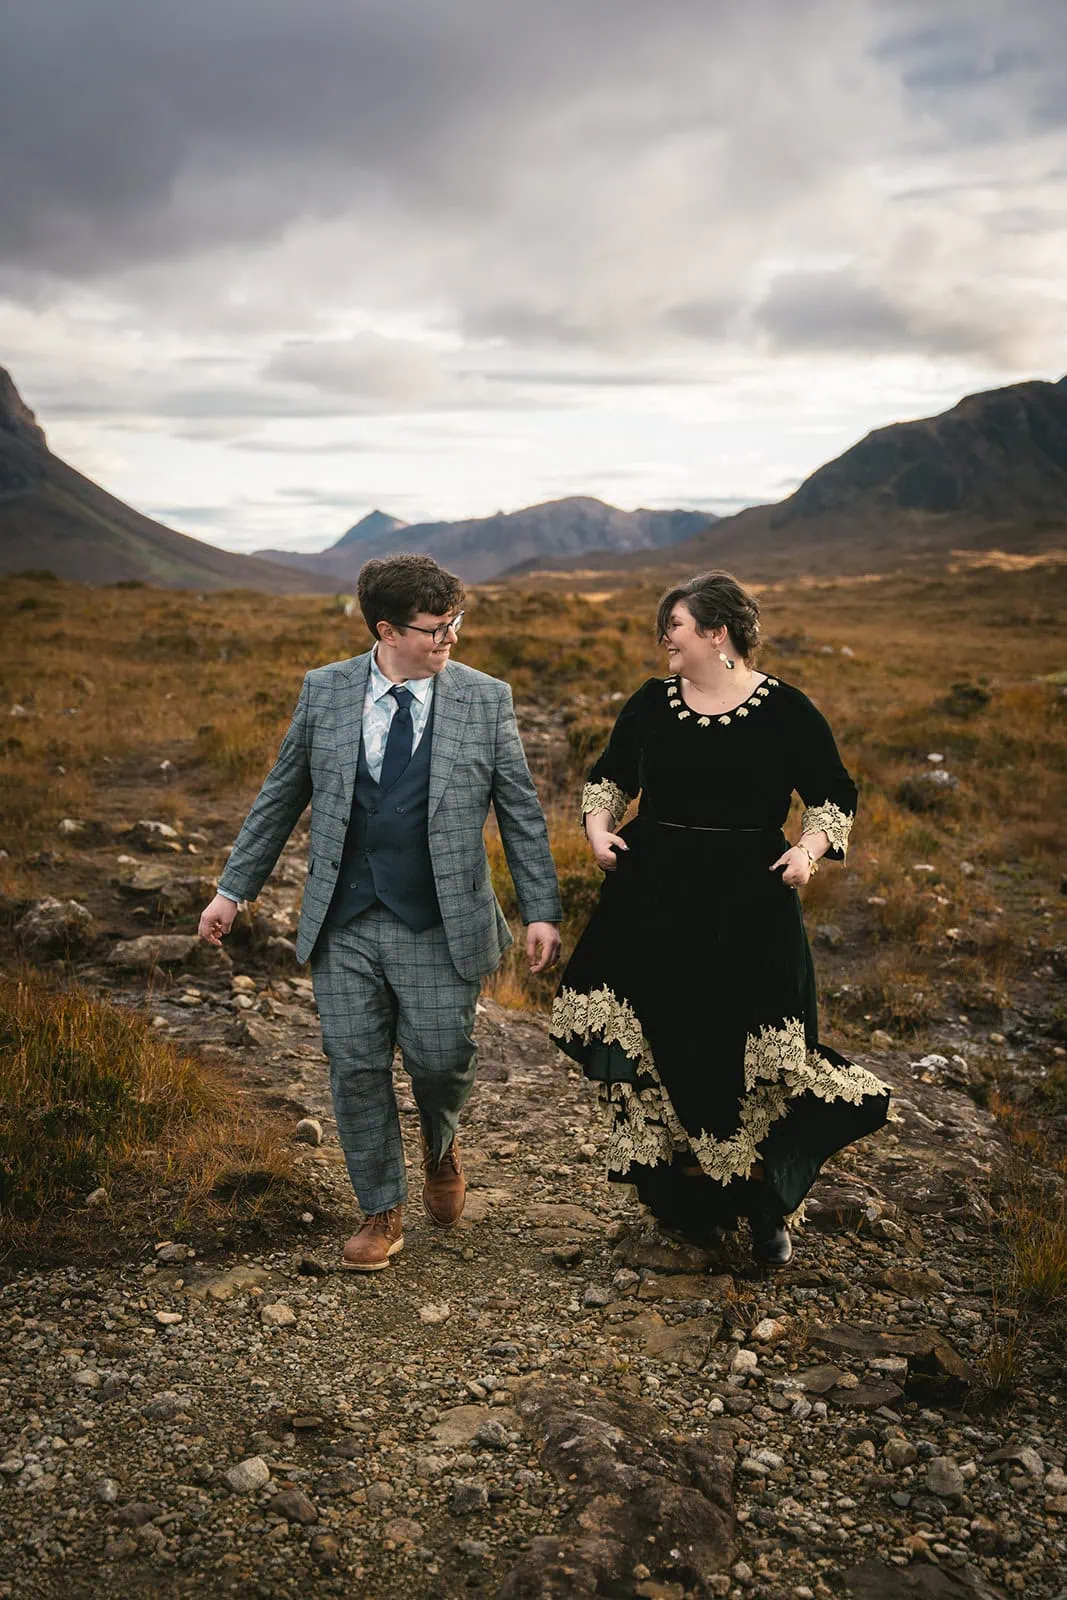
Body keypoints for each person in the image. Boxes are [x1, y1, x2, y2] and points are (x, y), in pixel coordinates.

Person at [199, 555, 561, 1271]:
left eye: (456, 624)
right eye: (436, 629)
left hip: (440, 920)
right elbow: (280, 795)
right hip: (345, 919)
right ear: (386, 629)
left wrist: (540, 910)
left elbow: (519, 812)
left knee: (439, 1061)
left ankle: (441, 1144)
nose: (450, 639)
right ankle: (381, 1210)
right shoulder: (325, 691)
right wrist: (232, 888)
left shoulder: (486, 700)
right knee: (355, 1066)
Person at [549, 571, 889, 1265]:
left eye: (672, 625)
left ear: (715, 631)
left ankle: (765, 1207)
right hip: (652, 894)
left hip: (749, 899)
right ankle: (684, 1205)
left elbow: (832, 792)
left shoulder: (786, 709)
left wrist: (806, 852)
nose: (662, 638)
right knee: (661, 1038)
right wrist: (597, 829)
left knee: (750, 1053)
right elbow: (607, 778)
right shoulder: (649, 702)